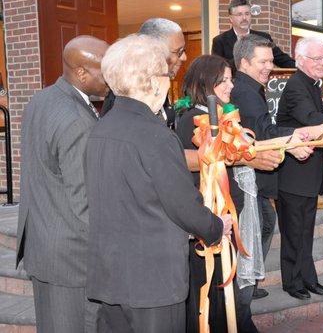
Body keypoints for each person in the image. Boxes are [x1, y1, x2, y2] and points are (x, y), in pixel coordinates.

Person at [85, 34, 230, 332]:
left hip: (111, 273)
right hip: (152, 280)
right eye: (166, 73)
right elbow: (182, 205)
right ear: (153, 82)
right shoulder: (155, 135)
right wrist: (216, 227)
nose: (170, 80)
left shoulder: (101, 127)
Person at [174, 55, 305, 332]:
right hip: (210, 222)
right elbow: (211, 157)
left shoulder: (221, 117)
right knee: (214, 294)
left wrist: (291, 142)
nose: (231, 86)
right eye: (224, 81)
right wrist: (250, 158)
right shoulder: (192, 120)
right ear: (205, 83)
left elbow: (249, 147)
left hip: (227, 218)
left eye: (231, 79)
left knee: (227, 291)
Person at [230, 34, 323, 299]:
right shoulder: (249, 91)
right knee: (283, 230)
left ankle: (304, 278)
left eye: (271, 61)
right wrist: (304, 134)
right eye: (262, 61)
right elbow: (266, 131)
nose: (269, 67)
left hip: (299, 174)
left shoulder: (257, 89)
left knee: (294, 229)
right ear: (244, 62)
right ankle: (284, 282)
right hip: (285, 175)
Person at [16, 35, 109, 332]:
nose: (111, 78)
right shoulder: (77, 120)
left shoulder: (41, 99)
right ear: (82, 73)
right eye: (104, 71)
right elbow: (85, 204)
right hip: (72, 259)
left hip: (43, 244)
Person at [276, 37, 323, 300]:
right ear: (300, 60)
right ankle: (292, 283)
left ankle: (308, 278)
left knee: (304, 232)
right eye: (317, 58)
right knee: (293, 233)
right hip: (293, 175)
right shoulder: (295, 86)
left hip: (309, 174)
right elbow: (311, 119)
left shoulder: (313, 84)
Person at [101, 17, 187, 129]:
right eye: (179, 51)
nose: (184, 57)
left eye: (184, 50)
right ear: (155, 50)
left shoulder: (157, 85)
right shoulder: (127, 92)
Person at [212, 0, 295, 72]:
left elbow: (282, 59)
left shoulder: (263, 37)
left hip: (260, 86)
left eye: (247, 14)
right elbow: (218, 68)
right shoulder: (220, 41)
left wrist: (301, 67)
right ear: (231, 19)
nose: (244, 18)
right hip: (233, 86)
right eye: (239, 14)